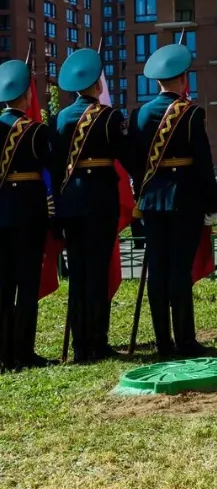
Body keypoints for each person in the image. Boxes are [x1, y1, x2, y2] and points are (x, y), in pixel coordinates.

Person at [128, 44, 217, 358]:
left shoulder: (139, 114)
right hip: (184, 200)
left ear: (157, 82)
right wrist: (213, 199)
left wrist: (143, 187)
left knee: (158, 270)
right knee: (180, 270)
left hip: (152, 202)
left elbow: (134, 161)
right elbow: (204, 163)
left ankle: (162, 342)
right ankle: (185, 340)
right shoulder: (191, 113)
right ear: (183, 79)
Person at [52, 48, 133, 363]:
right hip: (100, 201)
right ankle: (97, 343)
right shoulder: (109, 116)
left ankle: (79, 344)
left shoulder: (60, 118)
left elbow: (57, 165)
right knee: (97, 273)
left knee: (79, 275)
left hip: (71, 202)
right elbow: (127, 156)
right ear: (98, 85)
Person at [0, 60, 53, 371]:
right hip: (29, 218)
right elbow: (54, 167)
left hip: (1, 217)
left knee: (3, 288)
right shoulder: (35, 132)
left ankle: (4, 353)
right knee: (27, 287)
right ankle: (23, 352)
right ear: (26, 96)